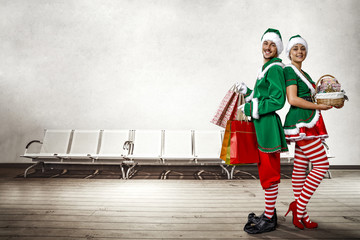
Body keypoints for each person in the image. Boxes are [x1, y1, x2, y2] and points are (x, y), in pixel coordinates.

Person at [237, 28, 288, 234]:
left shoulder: (275, 67)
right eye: (265, 44)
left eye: (272, 44)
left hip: (268, 128)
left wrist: (250, 107)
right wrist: (248, 93)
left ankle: (268, 218)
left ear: (278, 48)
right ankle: (269, 212)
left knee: (269, 172)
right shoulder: (266, 67)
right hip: (262, 126)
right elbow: (263, 95)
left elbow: (277, 100)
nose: (268, 48)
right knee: (264, 170)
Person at [282, 35, 332, 229]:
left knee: (300, 168)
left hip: (308, 121)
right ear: (289, 52)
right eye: (295, 48)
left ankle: (302, 214)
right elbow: (292, 100)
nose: (299, 52)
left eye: (302, 48)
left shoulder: (305, 73)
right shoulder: (290, 71)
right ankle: (298, 208)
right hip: (300, 120)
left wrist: (329, 100)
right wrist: (318, 105)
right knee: (321, 164)